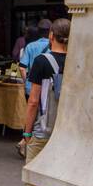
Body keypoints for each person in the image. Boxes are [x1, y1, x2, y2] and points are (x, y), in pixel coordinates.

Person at [21, 17, 70, 161]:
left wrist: (27, 133)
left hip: (43, 131)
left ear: (51, 35)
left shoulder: (41, 61)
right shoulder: (75, 60)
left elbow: (33, 102)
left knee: (33, 179)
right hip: (67, 133)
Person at [17, 19, 52, 157]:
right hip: (48, 87)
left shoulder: (30, 46)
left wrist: (28, 81)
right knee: (45, 114)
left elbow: (22, 67)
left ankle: (25, 141)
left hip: (31, 87)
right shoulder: (53, 45)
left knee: (31, 113)